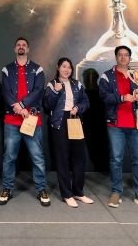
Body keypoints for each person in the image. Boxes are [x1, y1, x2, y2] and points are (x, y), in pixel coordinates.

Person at [98, 45, 138, 211]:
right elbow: (104, 96)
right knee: (116, 160)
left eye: (126, 55)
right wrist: (122, 97)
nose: (123, 57)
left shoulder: (137, 75)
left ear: (130, 58)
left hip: (136, 123)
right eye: (120, 55)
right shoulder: (107, 76)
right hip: (115, 124)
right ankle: (116, 191)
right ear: (116, 57)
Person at [0, 37, 50, 206]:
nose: (21, 47)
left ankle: (41, 189)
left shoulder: (37, 69)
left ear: (28, 49)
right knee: (9, 157)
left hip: (31, 119)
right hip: (12, 120)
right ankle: (7, 188)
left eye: (24, 45)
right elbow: (5, 91)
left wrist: (22, 105)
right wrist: (18, 108)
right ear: (15, 49)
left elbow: (38, 90)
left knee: (37, 157)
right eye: (18, 45)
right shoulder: (7, 69)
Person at [43, 57, 92, 208]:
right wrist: (56, 92)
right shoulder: (52, 85)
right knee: (62, 158)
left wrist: (78, 108)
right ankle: (66, 194)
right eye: (64, 66)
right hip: (59, 122)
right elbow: (47, 105)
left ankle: (78, 192)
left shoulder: (77, 84)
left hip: (75, 119)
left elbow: (86, 102)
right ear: (58, 68)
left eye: (69, 67)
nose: (66, 69)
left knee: (79, 157)